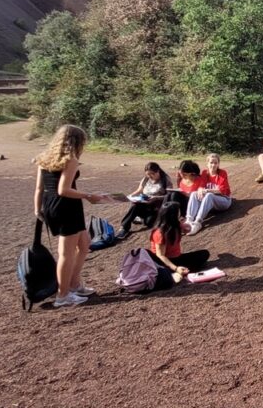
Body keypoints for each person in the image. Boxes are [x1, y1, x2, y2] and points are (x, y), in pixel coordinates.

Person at [33, 124, 102, 307]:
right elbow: (63, 190)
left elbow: (39, 188)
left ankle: (74, 284)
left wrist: (38, 209)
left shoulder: (44, 158)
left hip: (52, 204)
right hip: (66, 206)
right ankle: (62, 295)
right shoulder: (70, 160)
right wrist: (89, 196)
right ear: (77, 142)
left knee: (84, 244)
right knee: (66, 253)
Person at [149, 201, 210, 281]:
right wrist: (176, 268)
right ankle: (174, 271)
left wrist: (185, 226)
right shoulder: (160, 233)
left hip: (176, 257)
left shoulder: (175, 224)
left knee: (204, 254)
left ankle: (177, 271)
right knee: (198, 259)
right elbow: (160, 255)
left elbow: (187, 229)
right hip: (165, 261)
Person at [116, 162, 171, 239]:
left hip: (156, 208)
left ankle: (139, 218)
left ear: (158, 171)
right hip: (144, 203)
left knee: (149, 223)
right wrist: (129, 196)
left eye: (152, 174)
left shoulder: (165, 180)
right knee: (135, 206)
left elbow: (169, 196)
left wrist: (156, 198)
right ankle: (124, 228)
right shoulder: (146, 178)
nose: (150, 176)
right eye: (148, 174)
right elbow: (139, 190)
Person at [184, 153, 232, 235]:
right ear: (207, 163)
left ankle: (197, 222)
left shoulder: (222, 173)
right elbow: (201, 185)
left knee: (209, 195)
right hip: (211, 202)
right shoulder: (205, 173)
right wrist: (200, 189)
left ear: (218, 164)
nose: (213, 165)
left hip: (224, 200)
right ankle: (189, 220)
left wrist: (207, 190)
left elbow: (221, 190)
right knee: (194, 194)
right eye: (211, 162)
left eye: (215, 163)